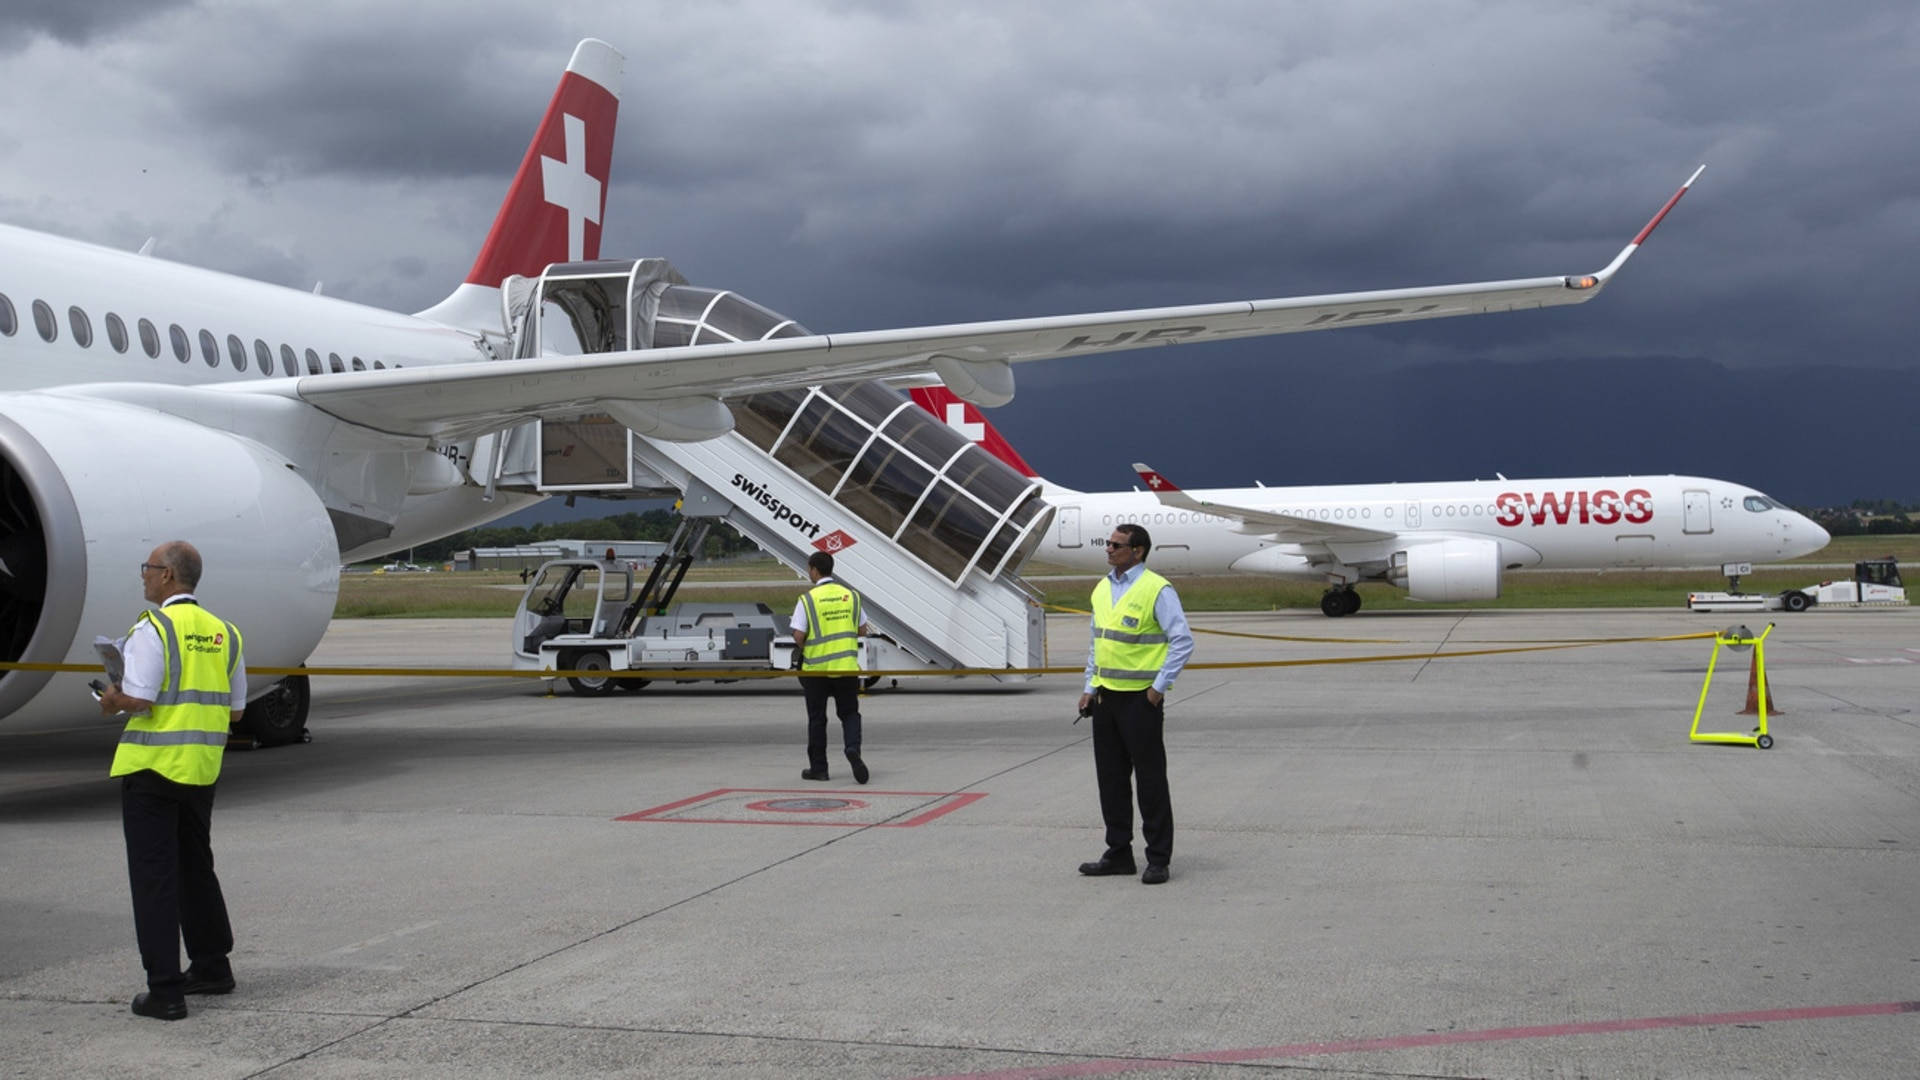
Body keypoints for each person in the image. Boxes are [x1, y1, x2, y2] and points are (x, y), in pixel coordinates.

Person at [98, 541, 245, 1020]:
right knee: (194, 866)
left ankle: (164, 990)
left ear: (167, 577)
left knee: (154, 878)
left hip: (153, 768)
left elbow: (141, 698)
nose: (143, 575)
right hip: (200, 770)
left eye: (148, 568)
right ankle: (211, 965)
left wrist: (112, 698)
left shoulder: (153, 626)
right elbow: (237, 709)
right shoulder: (226, 633)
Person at [1076, 524, 1193, 885]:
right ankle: (1119, 853)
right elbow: (1099, 641)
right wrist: (1089, 685)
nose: (1108, 550)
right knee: (1111, 780)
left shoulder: (1156, 588)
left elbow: (1182, 641)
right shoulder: (1102, 587)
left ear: (1138, 551)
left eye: (1116, 545)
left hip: (1140, 701)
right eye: (1108, 544)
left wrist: (1159, 688)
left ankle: (1158, 858)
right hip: (1106, 698)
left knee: (1150, 780)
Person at [790, 550, 870, 784]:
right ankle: (852, 749)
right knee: (850, 714)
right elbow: (862, 630)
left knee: (817, 719)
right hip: (846, 668)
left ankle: (819, 769)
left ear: (814, 570)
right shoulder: (851, 596)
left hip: (816, 671)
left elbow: (798, 635)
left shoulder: (808, 600)